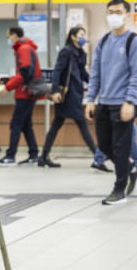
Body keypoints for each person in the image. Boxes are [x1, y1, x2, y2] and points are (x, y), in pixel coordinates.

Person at [84, 0, 137, 206]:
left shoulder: (134, 42)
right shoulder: (103, 42)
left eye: (118, 11)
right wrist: (90, 99)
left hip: (124, 103)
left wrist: (131, 101)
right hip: (104, 101)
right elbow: (95, 74)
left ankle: (119, 189)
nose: (113, 15)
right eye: (110, 11)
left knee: (121, 147)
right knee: (103, 144)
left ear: (127, 15)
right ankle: (131, 169)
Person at [38, 26, 98, 168]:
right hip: (66, 94)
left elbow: (83, 73)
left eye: (84, 34)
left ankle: (43, 156)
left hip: (76, 93)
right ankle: (97, 156)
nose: (83, 37)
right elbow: (58, 70)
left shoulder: (81, 53)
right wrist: (55, 91)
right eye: (80, 34)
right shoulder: (66, 51)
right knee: (81, 123)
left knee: (56, 125)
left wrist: (95, 83)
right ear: (72, 36)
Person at [0, 27, 43, 166]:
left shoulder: (24, 49)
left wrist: (8, 86)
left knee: (15, 124)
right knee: (26, 125)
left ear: (14, 35)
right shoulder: (26, 48)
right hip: (27, 92)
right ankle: (33, 155)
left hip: (25, 93)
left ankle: (10, 156)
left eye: (8, 37)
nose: (8, 39)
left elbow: (25, 72)